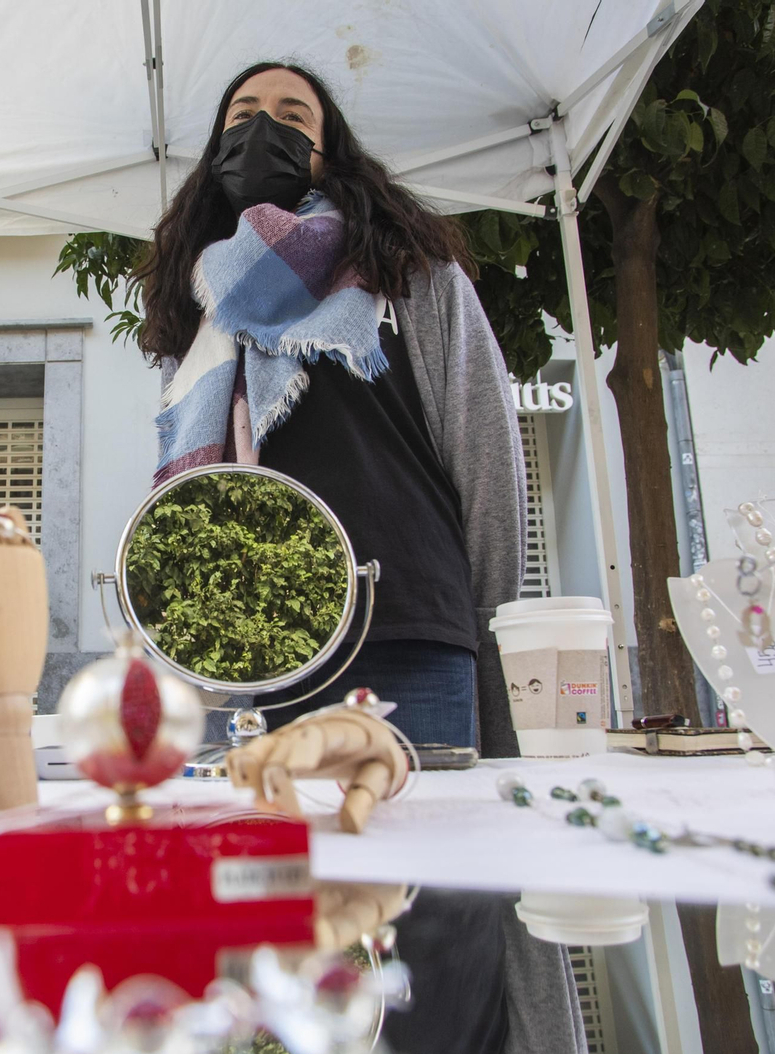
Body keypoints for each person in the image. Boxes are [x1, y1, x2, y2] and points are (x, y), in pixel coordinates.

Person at [137, 62, 525, 755]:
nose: (263, 129)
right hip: (260, 647)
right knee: (283, 859)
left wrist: (491, 622)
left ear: (329, 154)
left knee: (426, 857)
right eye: (243, 115)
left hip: (405, 625)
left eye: (292, 118)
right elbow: (191, 488)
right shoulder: (198, 301)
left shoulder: (409, 270)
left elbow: (486, 450)